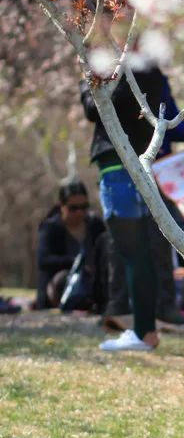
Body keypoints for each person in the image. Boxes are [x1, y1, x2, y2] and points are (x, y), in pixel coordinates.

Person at [81, 66, 172, 352]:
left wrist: (95, 76)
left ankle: (143, 331)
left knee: (132, 251)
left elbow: (93, 107)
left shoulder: (120, 64)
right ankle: (147, 331)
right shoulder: (150, 64)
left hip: (119, 162)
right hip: (143, 160)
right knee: (141, 250)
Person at [36, 182, 106, 310]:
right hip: (59, 289)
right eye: (73, 208)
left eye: (84, 207)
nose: (79, 213)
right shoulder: (50, 228)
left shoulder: (95, 225)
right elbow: (43, 260)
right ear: (61, 206)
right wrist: (77, 263)